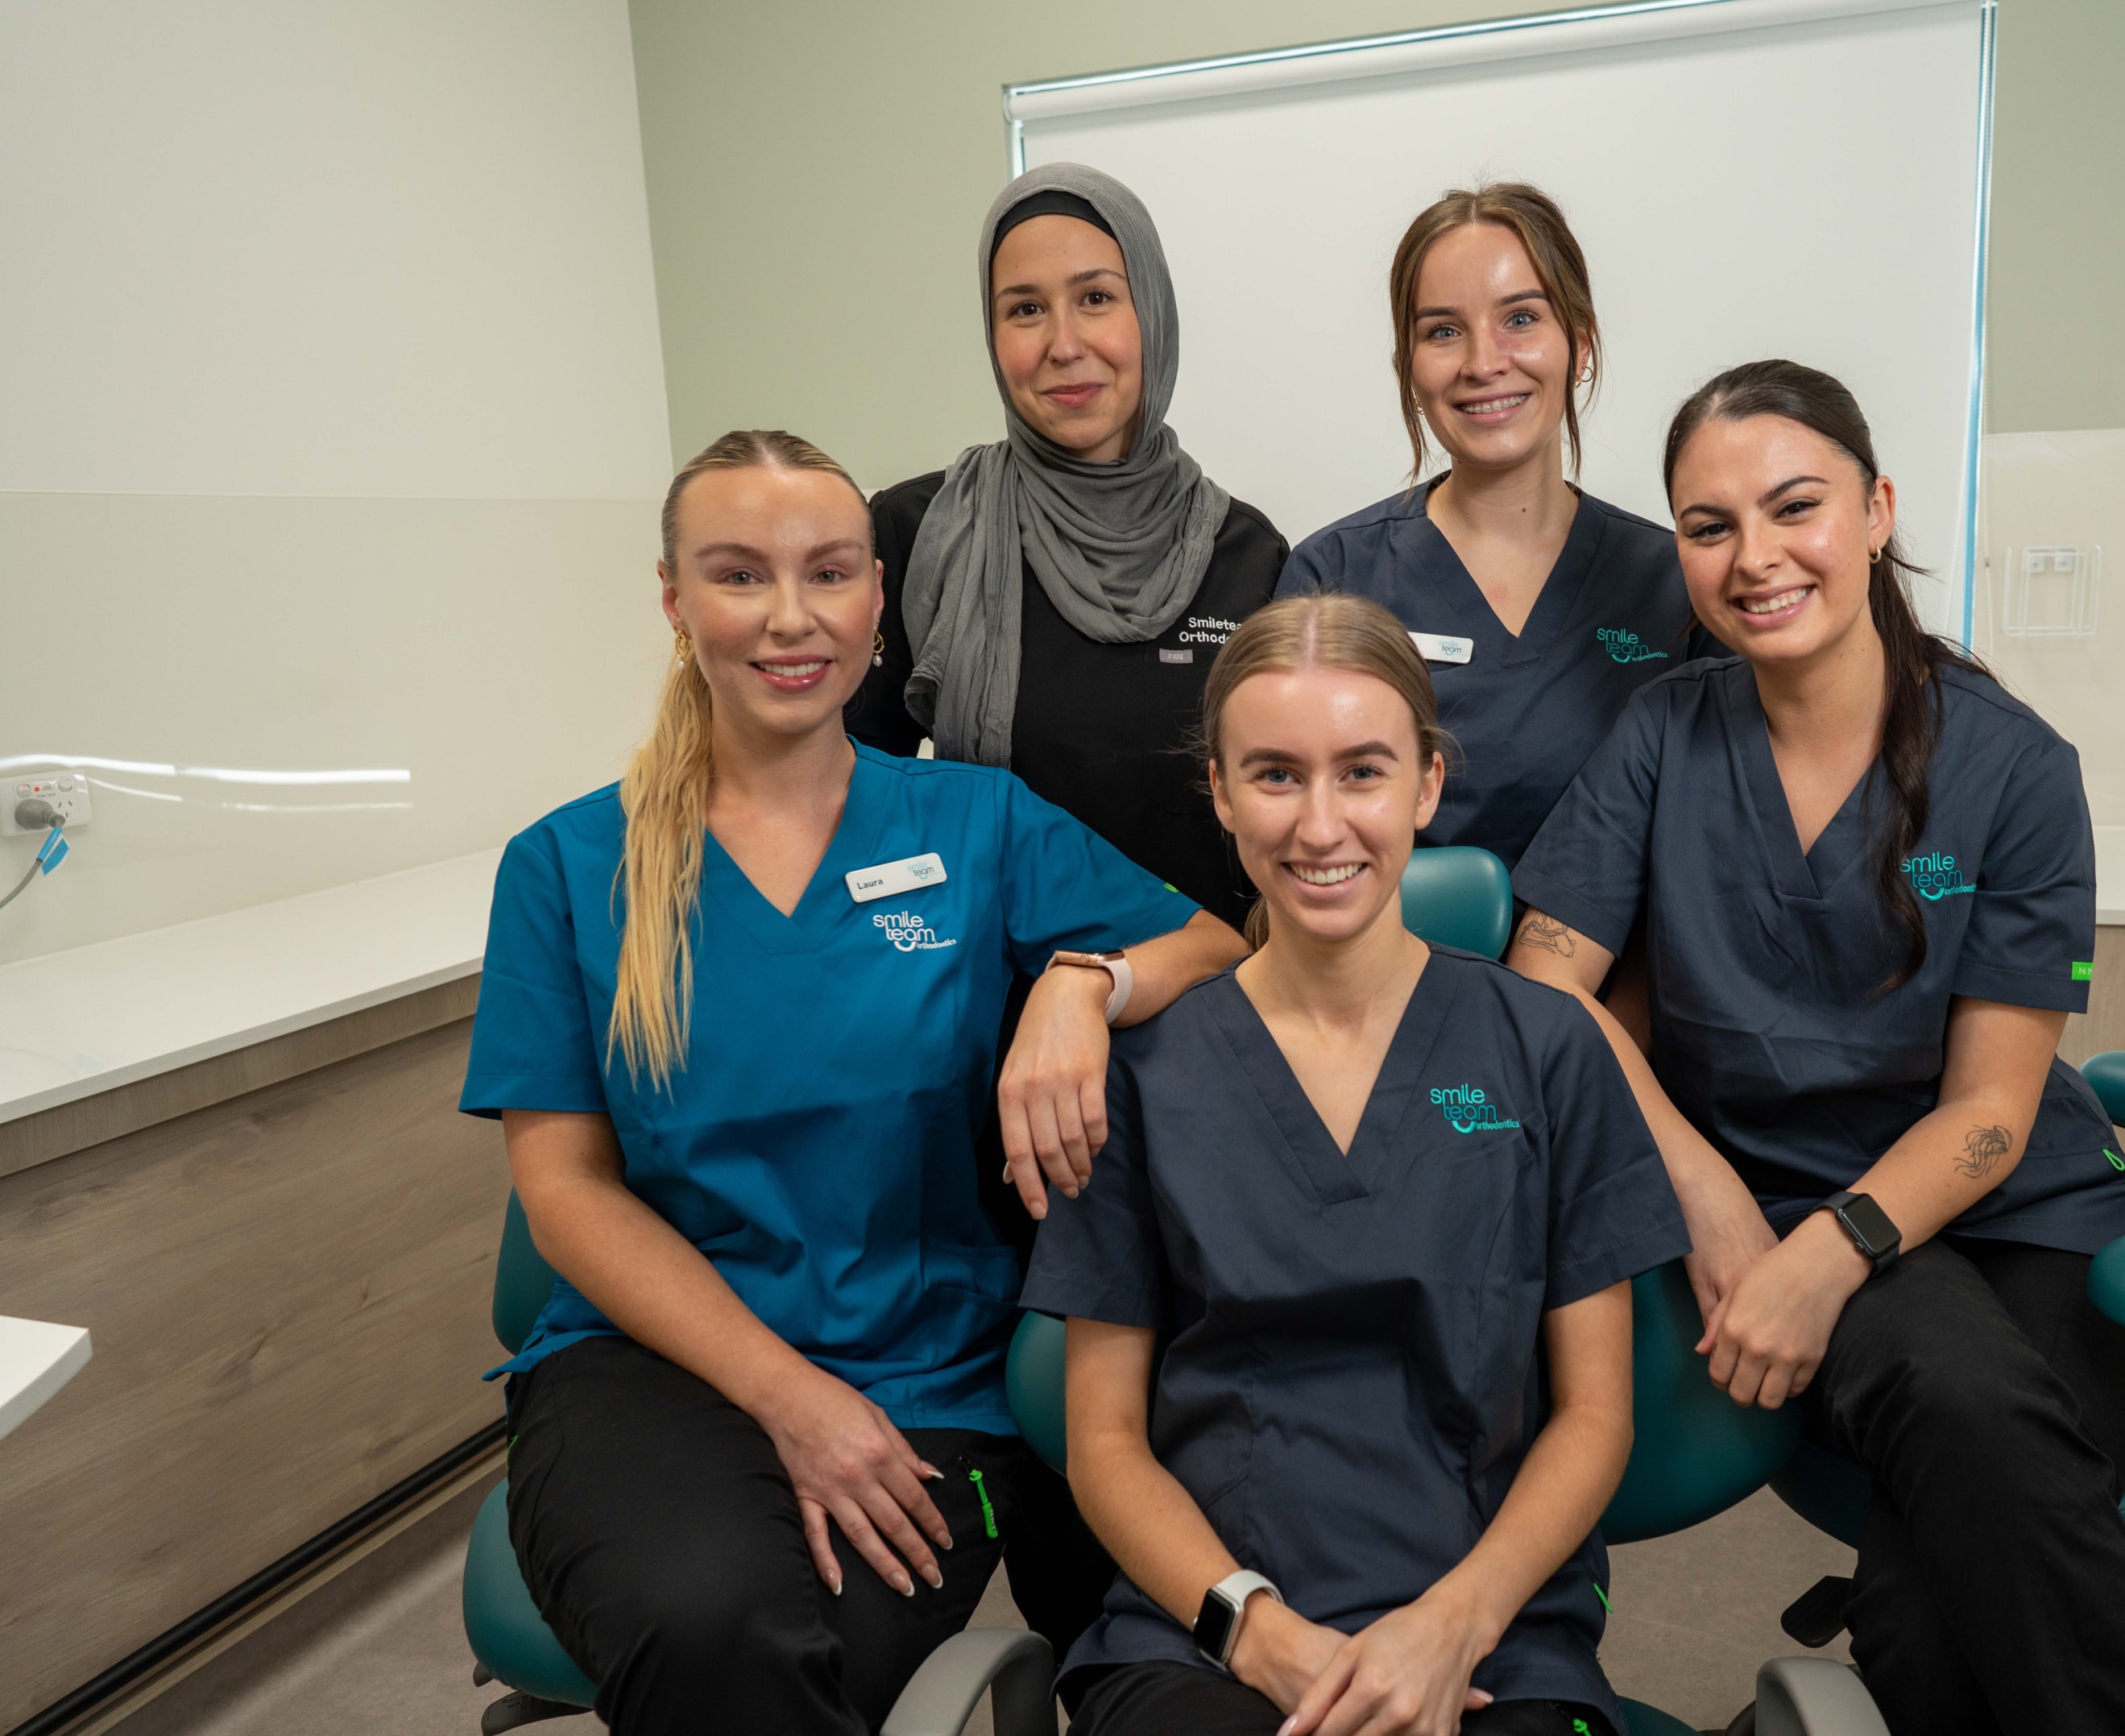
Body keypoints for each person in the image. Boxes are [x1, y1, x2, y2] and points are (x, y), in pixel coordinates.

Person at [462, 429, 1249, 1735]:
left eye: (827, 573)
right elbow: (563, 1193)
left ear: (879, 599)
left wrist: (1078, 985)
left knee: (795, 1661)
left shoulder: (976, 825)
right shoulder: (566, 866)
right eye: (736, 574)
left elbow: (1212, 946)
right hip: (655, 1363)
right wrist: (788, 1396)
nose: (788, 616)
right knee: (708, 1625)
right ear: (673, 601)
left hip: (924, 1375)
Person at [1505, 362, 2125, 1735]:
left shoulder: (2012, 767)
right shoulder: (1660, 738)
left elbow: (1993, 1111)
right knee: (1952, 1431)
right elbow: (1547, 987)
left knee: (1932, 1594)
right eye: (1707, 527)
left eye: (1793, 507)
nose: (1753, 558)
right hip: (1770, 1197)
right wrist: (1708, 1202)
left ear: (1875, 510)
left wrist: (1817, 1263)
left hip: (2015, 1218)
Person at [1021, 595, 1690, 1736]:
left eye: (1363, 773)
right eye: (1275, 775)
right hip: (1205, 1633)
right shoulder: (1140, 1073)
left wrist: (1455, 1622)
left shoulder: (1547, 1047)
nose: (1320, 826)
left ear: (1427, 785)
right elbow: (1103, 1442)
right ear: (1221, 794)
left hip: (1490, 1636)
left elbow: (1594, 1418)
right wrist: (1258, 1633)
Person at [846, 162, 1286, 929]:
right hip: (1000, 1004)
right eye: (1024, 310)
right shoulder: (920, 533)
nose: (1063, 343)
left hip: (1213, 1003)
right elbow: (847, 797)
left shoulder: (1247, 554)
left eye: (1095, 299)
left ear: (1151, 311)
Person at [1276, 184, 1708, 874]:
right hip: (1394, 977)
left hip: (1619, 982)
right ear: (1408, 369)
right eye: (1443, 331)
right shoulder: (1334, 577)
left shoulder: (1676, 584)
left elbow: (1717, 839)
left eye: (1521, 319)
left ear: (1581, 344)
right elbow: (1289, 835)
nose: (1483, 363)